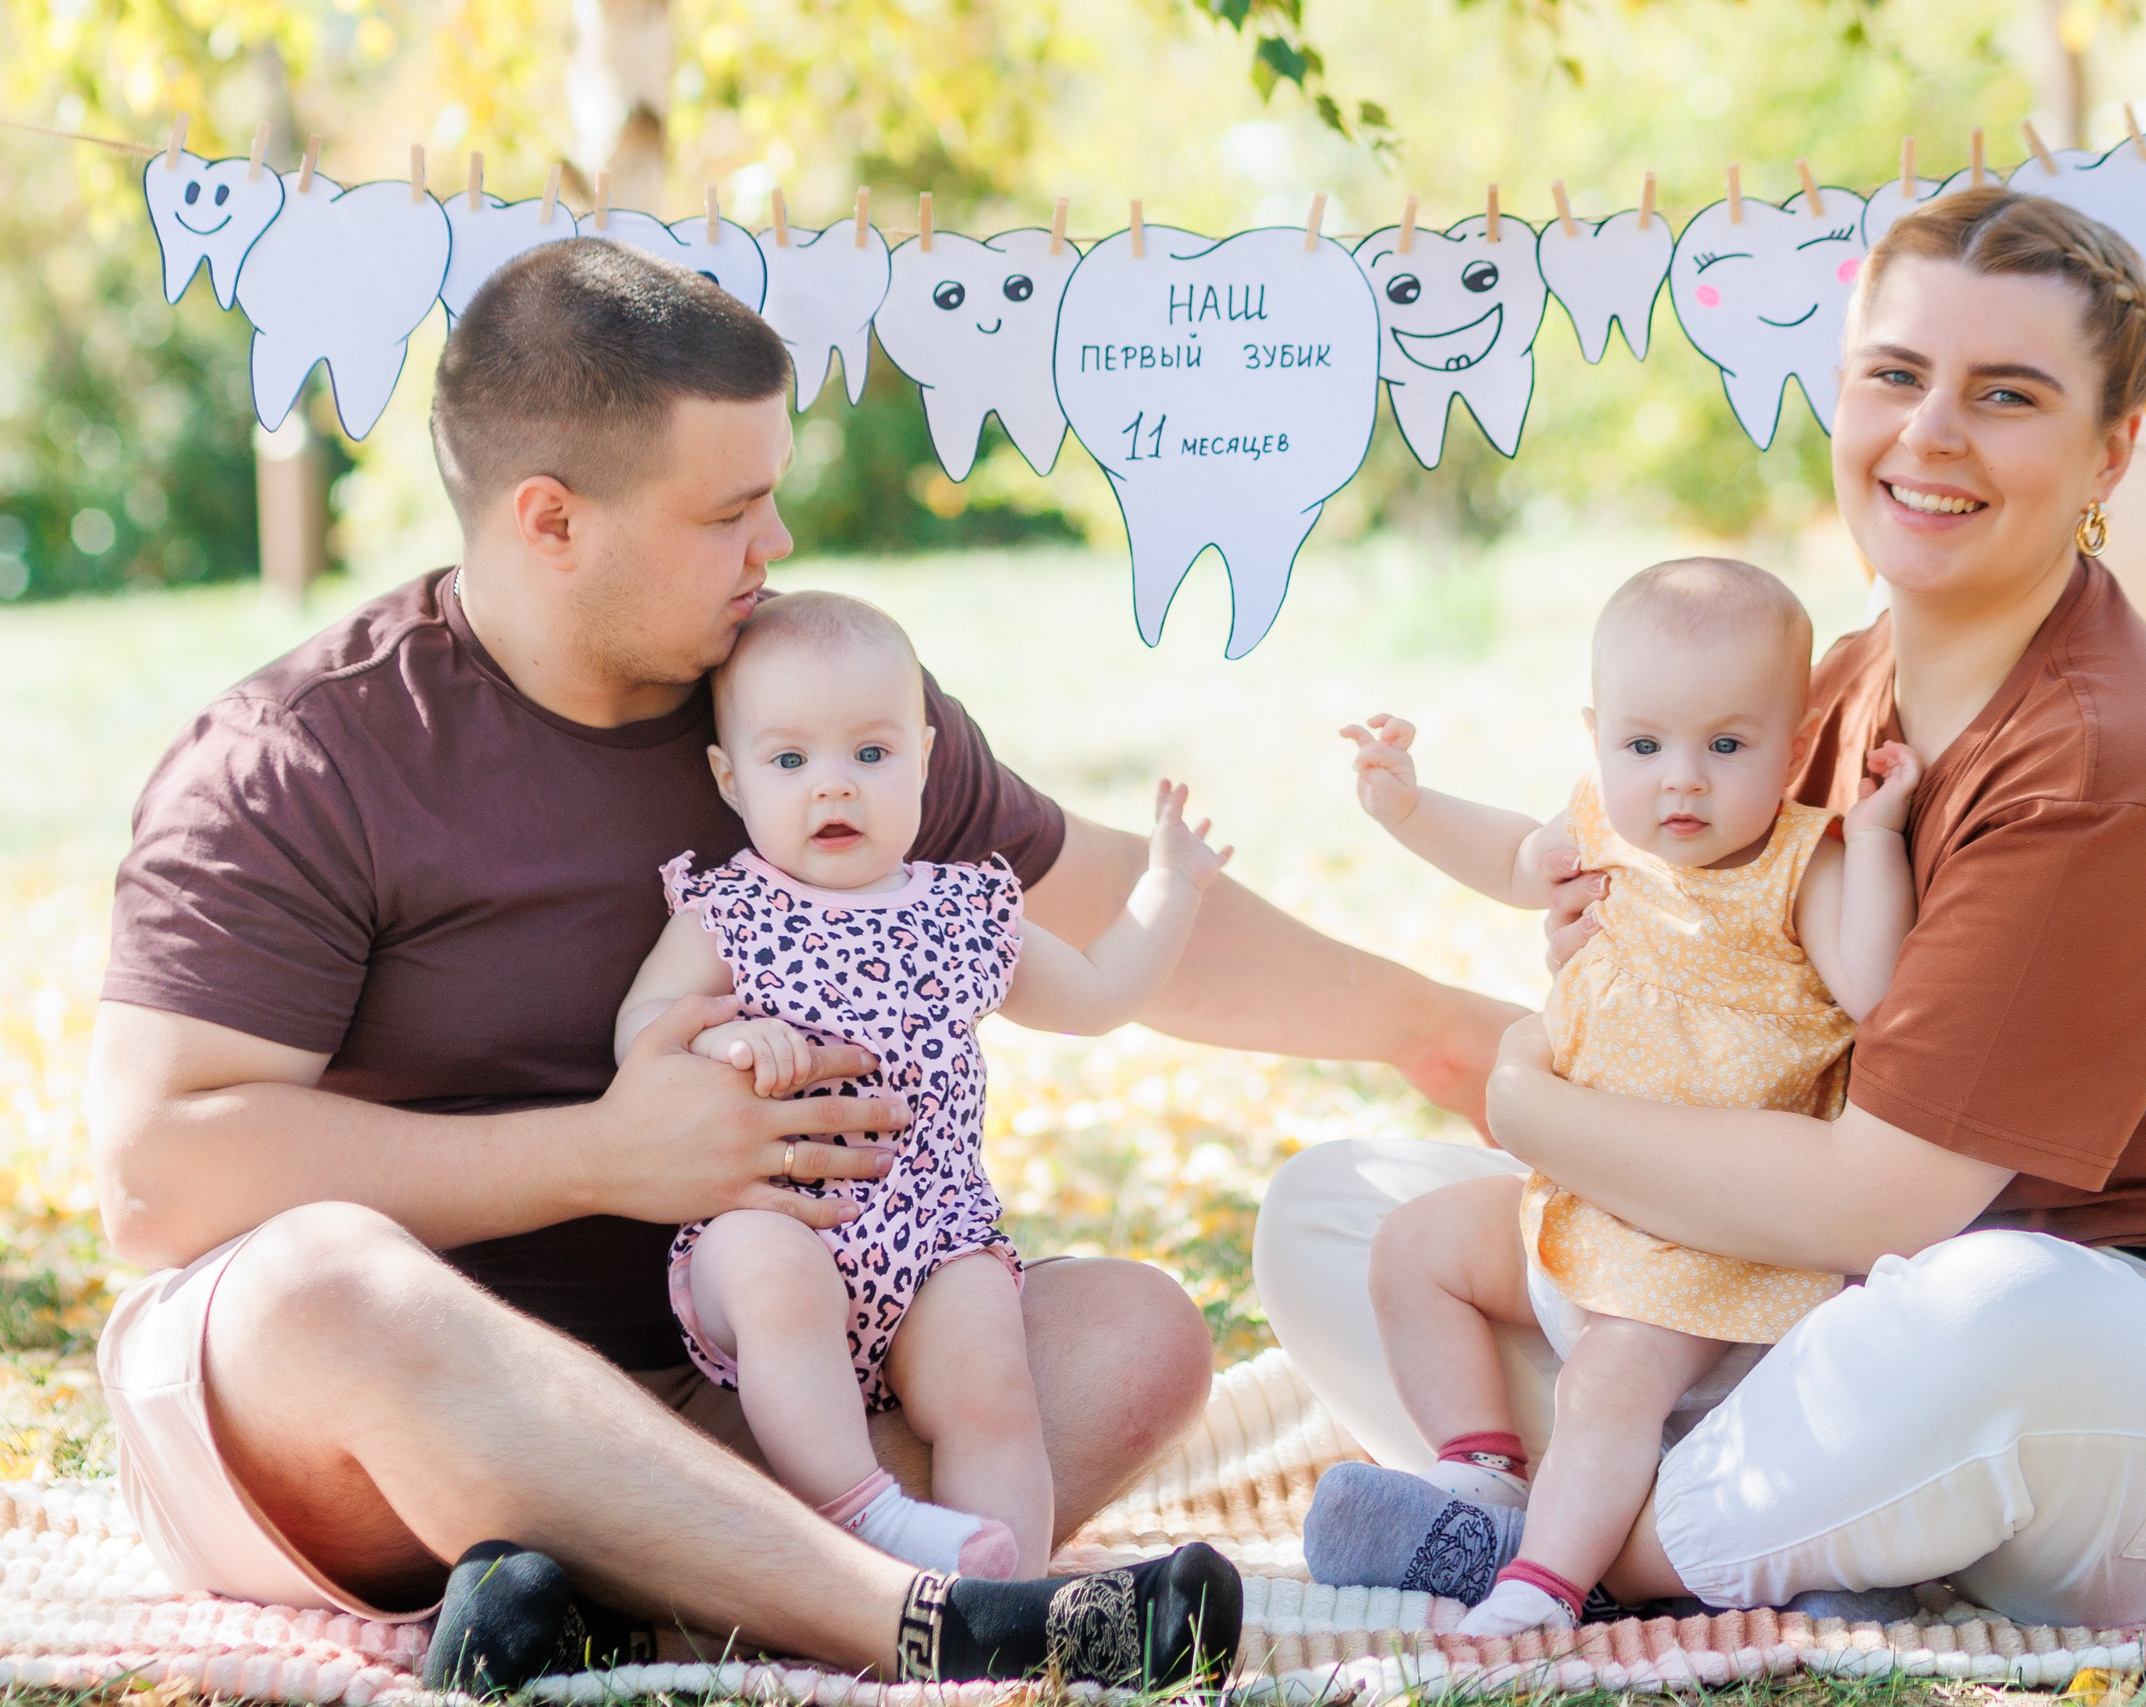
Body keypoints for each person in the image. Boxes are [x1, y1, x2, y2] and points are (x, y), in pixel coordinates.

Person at [83, 238, 1513, 1685]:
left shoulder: (804, 708)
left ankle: (597, 1601)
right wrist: (600, 1156)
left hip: (739, 1389)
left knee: (1131, 1334)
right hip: (372, 1430)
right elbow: (158, 1173)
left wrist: (1439, 1033)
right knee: (319, 1287)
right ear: (552, 520)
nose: (775, 543)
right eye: (730, 512)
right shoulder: (300, 759)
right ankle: (921, 1621)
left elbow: (1091, 901)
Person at [1258, 187, 2146, 1631]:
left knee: (1989, 1314)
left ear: (2111, 451)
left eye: (2007, 394)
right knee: (1338, 1214)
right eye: (1896, 375)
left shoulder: (2100, 771)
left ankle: (1580, 1546)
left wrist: (1531, 1108)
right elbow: (1710, 953)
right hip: (1831, 1295)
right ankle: (1667, 1517)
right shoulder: (1832, 685)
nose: (1932, 433)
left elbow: (1882, 1199)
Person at [1331, 559, 1920, 1636]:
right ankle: (1480, 1476)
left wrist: (1876, 839)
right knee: (1414, 1247)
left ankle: (1544, 1584)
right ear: (1597, 736)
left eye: (1726, 747)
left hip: (1707, 1243)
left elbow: (1876, 987)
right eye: (1644, 747)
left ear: (1793, 749)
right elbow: (1510, 855)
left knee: (1607, 1380)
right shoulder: (1601, 828)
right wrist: (1408, 807)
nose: (1680, 782)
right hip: (1580, 1200)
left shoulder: (1803, 866)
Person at [623, 591, 1230, 1579]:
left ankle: (1005, 1594)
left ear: (924, 760)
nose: (834, 786)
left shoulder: (963, 910)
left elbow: (1098, 993)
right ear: (731, 779)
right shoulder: (726, 912)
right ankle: (866, 1514)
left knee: (991, 1385)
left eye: (871, 753)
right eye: (789, 761)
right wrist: (726, 1037)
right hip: (775, 1215)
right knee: (776, 1283)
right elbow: (641, 1027)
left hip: (936, 1234)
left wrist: (1171, 887)